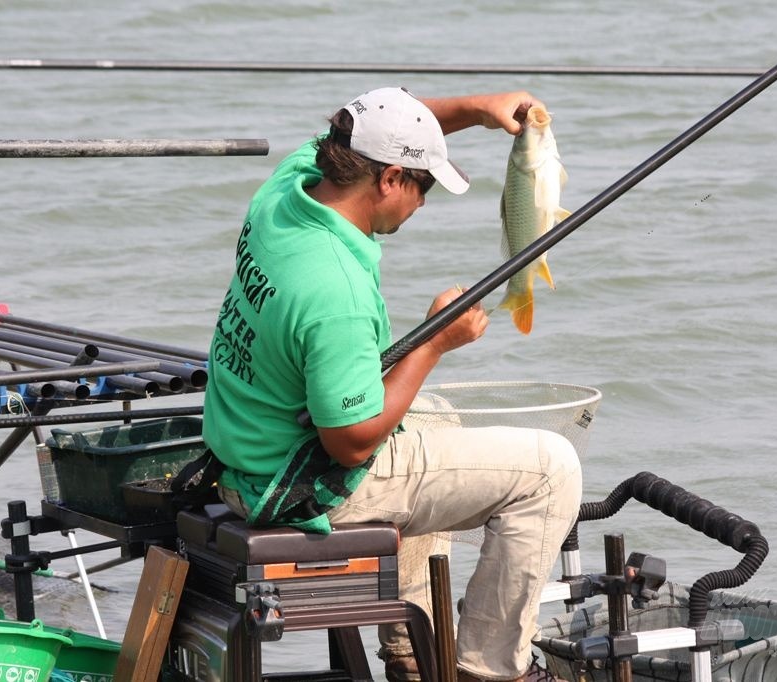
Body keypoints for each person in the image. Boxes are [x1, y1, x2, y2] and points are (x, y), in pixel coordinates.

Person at [202, 87, 582, 682]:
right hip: (297, 482)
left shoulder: (291, 187)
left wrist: (478, 109)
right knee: (552, 469)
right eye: (423, 185)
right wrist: (435, 342)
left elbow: (369, 126)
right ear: (390, 180)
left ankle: (413, 648)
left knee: (437, 418)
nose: (423, 203)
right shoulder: (335, 292)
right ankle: (489, 671)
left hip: (247, 447)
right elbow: (351, 444)